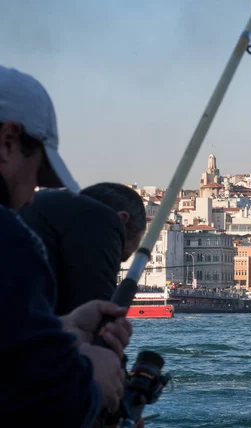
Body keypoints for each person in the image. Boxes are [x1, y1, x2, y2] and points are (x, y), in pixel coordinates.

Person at [0, 65, 132, 426]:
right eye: (37, 176)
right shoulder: (9, 238)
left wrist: (63, 328)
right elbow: (39, 399)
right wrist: (92, 378)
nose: (31, 199)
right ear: (9, 142)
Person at [20, 182, 146, 315]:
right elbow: (98, 314)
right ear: (121, 220)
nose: (115, 266)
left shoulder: (41, 206)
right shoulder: (102, 222)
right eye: (118, 255)